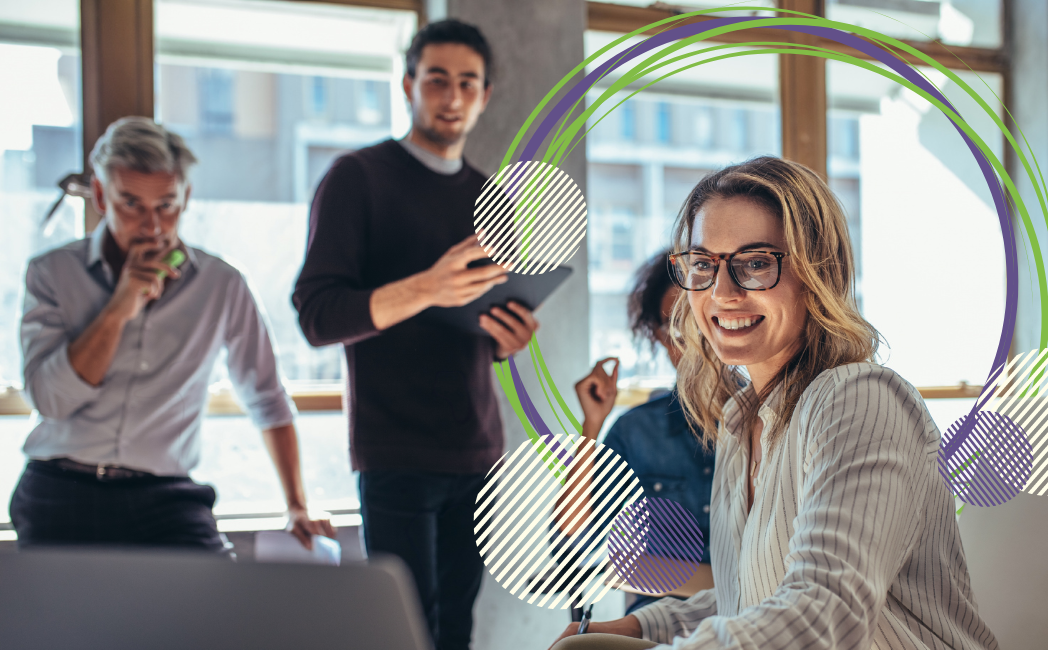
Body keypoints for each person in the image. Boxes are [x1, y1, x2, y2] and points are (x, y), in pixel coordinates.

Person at [548, 156, 998, 649]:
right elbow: (748, 596)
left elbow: (825, 611)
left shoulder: (862, 400)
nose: (722, 293)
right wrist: (641, 626)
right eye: (703, 264)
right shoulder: (740, 422)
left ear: (816, 272)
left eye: (756, 263)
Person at [291, 19, 536, 650]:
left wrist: (507, 338)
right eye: (436, 80)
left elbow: (478, 327)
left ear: (484, 96)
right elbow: (318, 314)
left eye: (467, 83)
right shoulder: (358, 177)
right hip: (395, 451)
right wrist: (426, 286)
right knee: (403, 634)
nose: (451, 97)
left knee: (456, 630)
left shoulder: (490, 196)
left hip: (478, 449)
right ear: (407, 85)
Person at [14, 116, 334, 553]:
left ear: (187, 197)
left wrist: (298, 505)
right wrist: (117, 309)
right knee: (66, 622)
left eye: (166, 205)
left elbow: (266, 396)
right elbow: (50, 401)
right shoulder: (51, 273)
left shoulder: (222, 284)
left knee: (211, 612)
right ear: (102, 196)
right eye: (132, 204)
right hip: (60, 487)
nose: (152, 226)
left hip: (165, 495)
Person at [559, 250, 715, 615]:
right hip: (656, 625)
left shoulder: (771, 420)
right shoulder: (636, 431)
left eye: (699, 321)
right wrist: (591, 426)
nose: (691, 341)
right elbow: (571, 541)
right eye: (674, 329)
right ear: (659, 338)